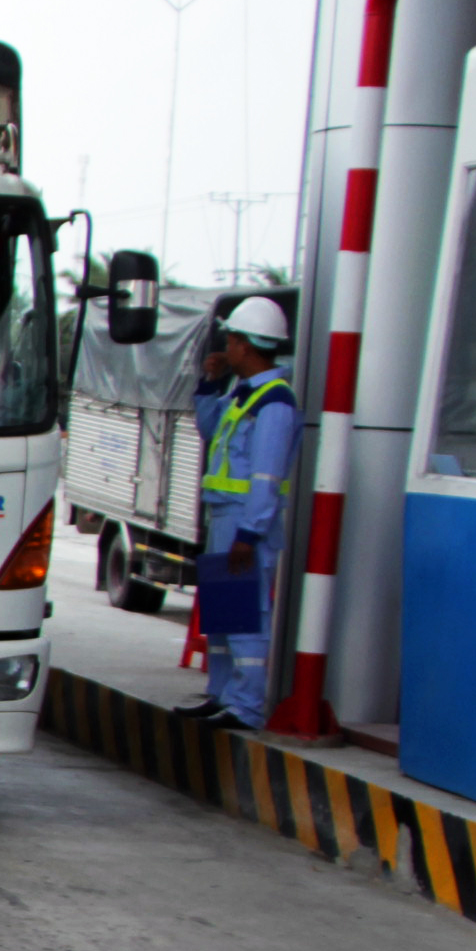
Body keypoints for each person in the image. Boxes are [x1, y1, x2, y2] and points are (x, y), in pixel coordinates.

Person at [189, 295, 300, 730]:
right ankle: (221, 695)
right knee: (224, 615)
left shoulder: (274, 403)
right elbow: (209, 429)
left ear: (246, 346)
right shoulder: (244, 393)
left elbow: (266, 479)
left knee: (245, 617)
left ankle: (246, 707)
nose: (227, 347)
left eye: (231, 339)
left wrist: (249, 534)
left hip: (244, 523)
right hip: (225, 517)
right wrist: (209, 383)